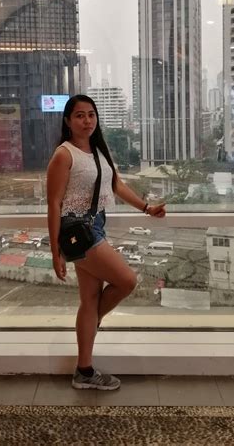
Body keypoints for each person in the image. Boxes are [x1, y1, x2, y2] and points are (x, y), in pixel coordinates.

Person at [46, 94, 166, 390]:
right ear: (68, 121)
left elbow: (116, 185)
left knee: (89, 301)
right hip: (77, 231)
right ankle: (91, 323)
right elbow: (54, 203)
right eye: (79, 115)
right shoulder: (64, 154)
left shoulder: (98, 149)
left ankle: (84, 371)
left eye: (91, 114)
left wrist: (146, 208)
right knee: (127, 280)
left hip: (95, 225)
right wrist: (55, 252)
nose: (87, 120)